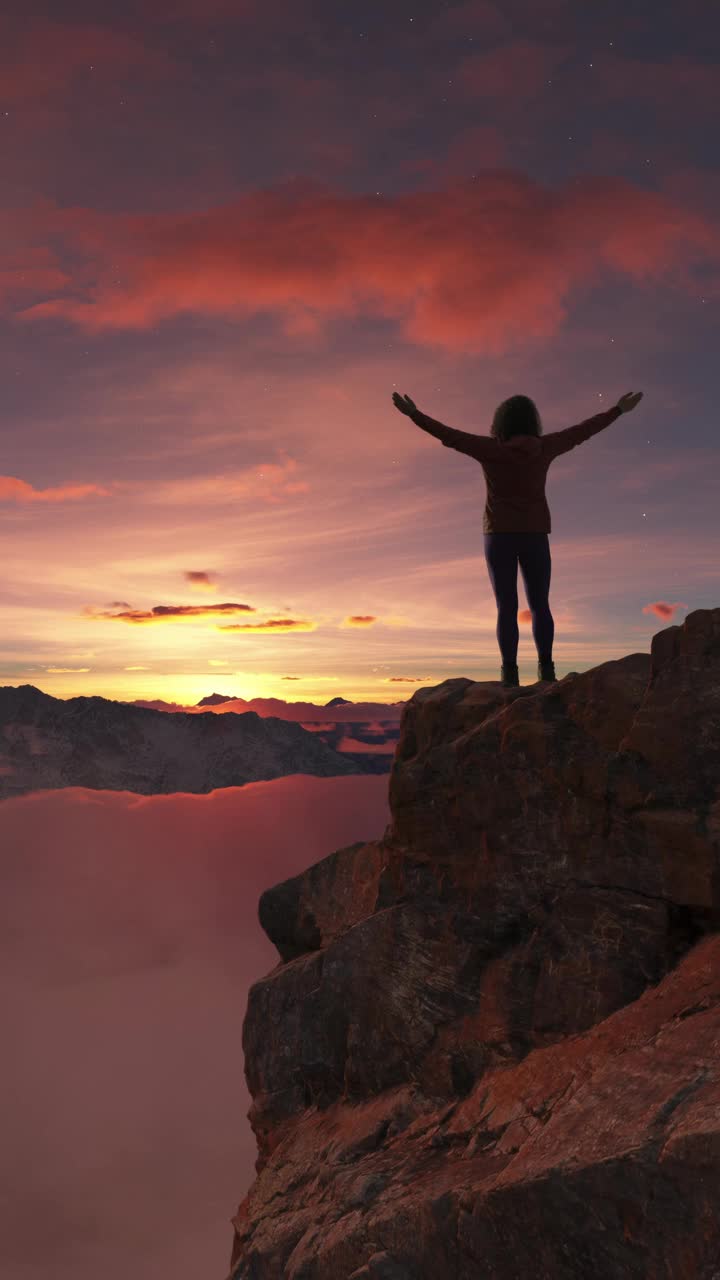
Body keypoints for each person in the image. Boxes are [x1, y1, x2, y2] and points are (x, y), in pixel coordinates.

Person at [391, 388, 644, 688]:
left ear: (501, 423)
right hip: (535, 533)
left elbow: (449, 435)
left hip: (498, 535)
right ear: (532, 422)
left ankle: (509, 675)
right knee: (540, 604)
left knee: (506, 606)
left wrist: (415, 415)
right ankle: (546, 671)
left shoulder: (490, 449)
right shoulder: (546, 446)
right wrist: (617, 410)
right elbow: (583, 431)